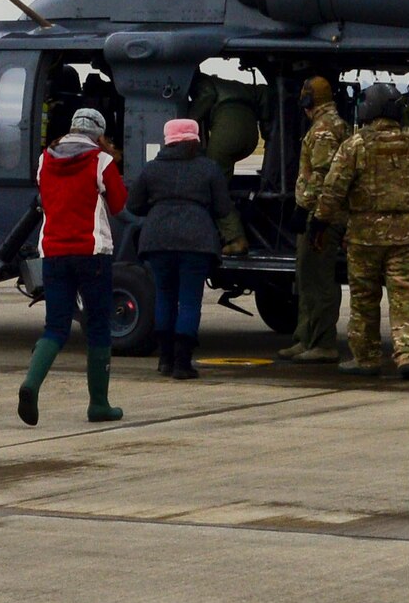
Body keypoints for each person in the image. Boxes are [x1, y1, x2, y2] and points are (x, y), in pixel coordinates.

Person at [315, 83, 409, 380]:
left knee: (364, 298)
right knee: (408, 296)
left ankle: (366, 358)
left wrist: (320, 223)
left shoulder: (355, 146)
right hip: (407, 235)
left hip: (364, 236)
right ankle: (407, 355)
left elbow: (334, 188)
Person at [19, 107, 128, 425]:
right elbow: (119, 204)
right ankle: (99, 404)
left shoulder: (45, 160)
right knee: (97, 327)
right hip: (92, 253)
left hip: (52, 253)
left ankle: (30, 384)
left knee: (55, 327)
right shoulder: (101, 161)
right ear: (98, 133)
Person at [127, 118, 233, 380]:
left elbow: (133, 205)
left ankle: (164, 359)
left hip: (157, 238)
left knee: (164, 295)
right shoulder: (209, 168)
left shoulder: (151, 169)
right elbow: (223, 208)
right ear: (196, 140)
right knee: (189, 300)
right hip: (196, 240)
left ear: (168, 140)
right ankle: (182, 363)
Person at [281, 76, 351, 363]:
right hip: (323, 212)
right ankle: (306, 337)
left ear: (310, 100)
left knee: (317, 278)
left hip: (322, 215)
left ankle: (322, 341)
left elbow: (322, 175)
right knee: (307, 277)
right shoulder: (334, 124)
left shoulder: (323, 130)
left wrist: (304, 208)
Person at [185, 73, 268, 255]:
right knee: (222, 179)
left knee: (214, 187)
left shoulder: (200, 80)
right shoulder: (234, 83)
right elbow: (263, 95)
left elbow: (207, 95)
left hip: (228, 131)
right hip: (250, 136)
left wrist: (186, 120)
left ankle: (236, 238)